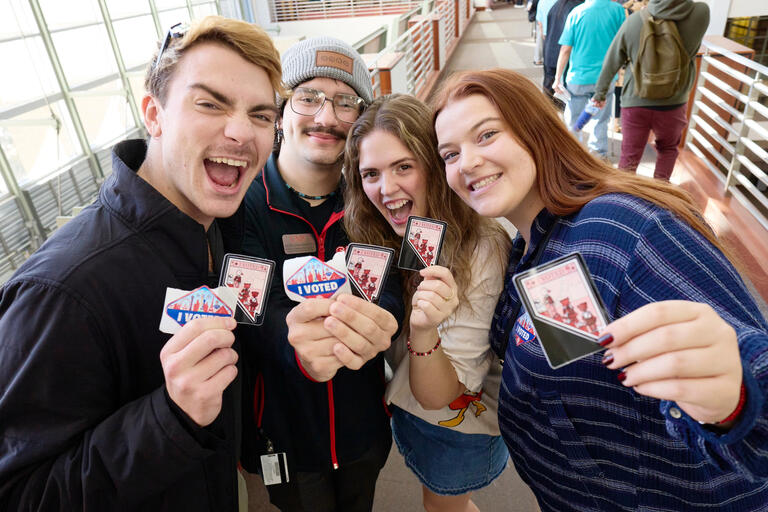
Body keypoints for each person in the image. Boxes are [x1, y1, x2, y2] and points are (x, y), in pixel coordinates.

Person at [432, 68, 768, 511]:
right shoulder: (530, 245)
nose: (467, 162)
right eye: (450, 154)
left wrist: (735, 399)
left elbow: (751, 366)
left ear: (536, 131)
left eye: (487, 135)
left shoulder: (625, 227)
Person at [0, 16, 283, 510]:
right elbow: (21, 494)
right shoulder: (60, 289)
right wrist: (170, 418)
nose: (241, 131)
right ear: (154, 114)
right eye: (209, 103)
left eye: (261, 115)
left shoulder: (214, 227)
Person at [224, 36, 402, 512]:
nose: (326, 117)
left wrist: (381, 321)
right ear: (282, 112)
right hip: (283, 431)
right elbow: (249, 317)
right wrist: (300, 347)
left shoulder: (372, 201)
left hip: (364, 426)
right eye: (308, 97)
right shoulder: (244, 205)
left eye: (346, 102)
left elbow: (389, 292)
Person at [343, 94, 511, 512]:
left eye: (404, 166)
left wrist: (423, 327)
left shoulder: (483, 246)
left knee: (443, 509)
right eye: (370, 174)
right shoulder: (382, 234)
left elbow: (440, 396)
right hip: (406, 411)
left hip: (457, 431)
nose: (387, 189)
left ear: (434, 165)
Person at [592, 0, 710, 180]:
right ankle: (658, 196)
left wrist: (600, 94)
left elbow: (611, 61)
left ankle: (625, 199)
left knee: (629, 157)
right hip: (674, 102)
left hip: (635, 101)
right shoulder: (700, 13)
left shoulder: (634, 21)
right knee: (668, 150)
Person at [553, 0, 625, 157]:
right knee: (600, 119)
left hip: (578, 77)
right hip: (606, 77)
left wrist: (557, 77)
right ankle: (598, 155)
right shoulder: (618, 11)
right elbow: (623, 42)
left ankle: (574, 156)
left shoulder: (576, 13)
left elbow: (565, 49)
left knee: (573, 120)